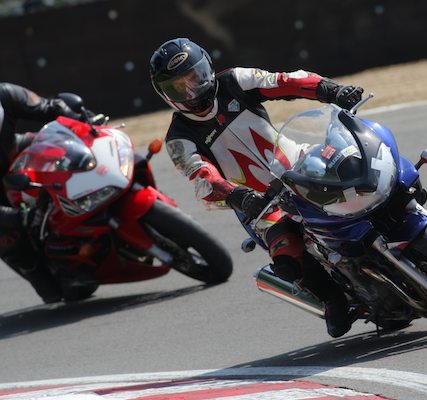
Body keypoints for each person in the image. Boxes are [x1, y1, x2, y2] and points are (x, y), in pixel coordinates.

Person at [150, 38, 365, 337]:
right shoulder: (179, 139)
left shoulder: (235, 80)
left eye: (194, 77)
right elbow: (201, 176)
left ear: (207, 68)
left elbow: (285, 82)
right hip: (258, 202)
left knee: (362, 168)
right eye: (178, 87)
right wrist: (237, 196)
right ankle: (333, 299)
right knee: (287, 259)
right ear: (165, 94)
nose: (191, 90)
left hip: (301, 164)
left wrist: (331, 90)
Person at [0, 82, 81, 303]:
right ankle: (33, 269)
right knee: (52, 292)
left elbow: (50, 107)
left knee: (61, 144)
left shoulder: (6, 94)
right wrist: (16, 217)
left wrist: (81, 119)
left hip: (14, 152)